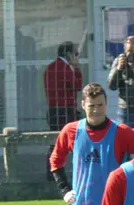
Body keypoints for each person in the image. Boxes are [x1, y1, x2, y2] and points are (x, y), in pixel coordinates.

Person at [44, 41, 84, 181]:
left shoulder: (50, 68)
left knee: (54, 142)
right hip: (66, 110)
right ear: (69, 54)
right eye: (76, 54)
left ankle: (51, 173)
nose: (77, 57)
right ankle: (77, 171)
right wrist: (77, 69)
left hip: (53, 109)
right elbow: (77, 86)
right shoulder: (66, 69)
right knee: (74, 140)